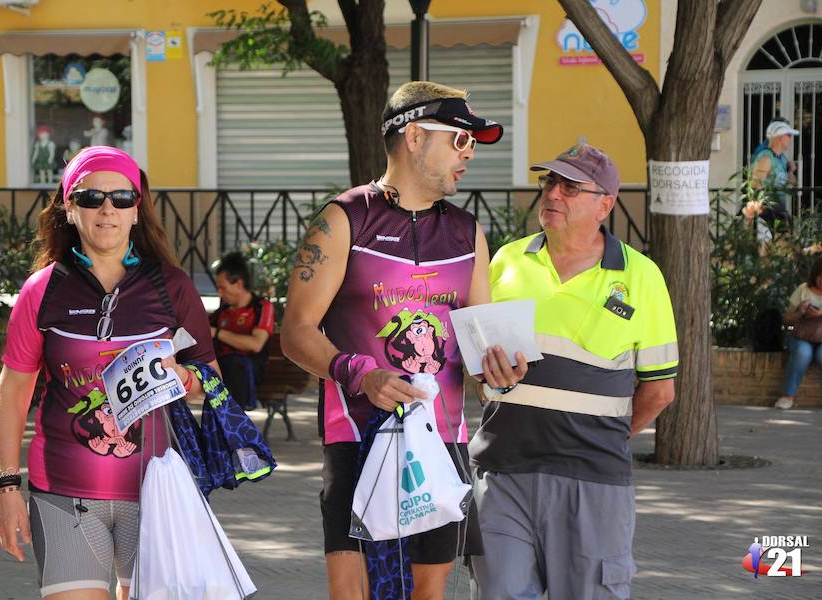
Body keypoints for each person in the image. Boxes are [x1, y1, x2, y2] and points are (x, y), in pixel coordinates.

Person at [281, 81, 517, 600]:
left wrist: (497, 371)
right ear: (413, 136)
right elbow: (295, 331)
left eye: (473, 144)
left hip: (441, 446)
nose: (470, 154)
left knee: (426, 596)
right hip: (357, 441)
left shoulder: (466, 231)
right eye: (459, 140)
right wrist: (360, 373)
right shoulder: (344, 218)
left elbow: (480, 346)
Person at [0, 146, 217, 600]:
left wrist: (185, 378)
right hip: (63, 493)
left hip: (157, 494)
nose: (107, 209)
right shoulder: (42, 290)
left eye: (121, 197)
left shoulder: (173, 287)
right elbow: (13, 390)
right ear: (70, 209)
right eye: (91, 198)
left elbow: (209, 380)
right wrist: (5, 486)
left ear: (138, 209)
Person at [469, 143, 679, 600]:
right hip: (502, 473)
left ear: (605, 203)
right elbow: (479, 362)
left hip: (592, 477)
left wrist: (601, 434)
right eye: (549, 182)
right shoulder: (506, 261)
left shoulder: (642, 277)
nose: (553, 194)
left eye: (569, 186)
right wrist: (487, 377)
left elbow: (660, 389)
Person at [209, 251, 275, 410]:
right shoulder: (222, 312)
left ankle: (235, 417)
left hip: (249, 370)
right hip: (223, 370)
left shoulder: (261, 307)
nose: (219, 293)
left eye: (222, 288)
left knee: (233, 363)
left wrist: (217, 333)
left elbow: (256, 344)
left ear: (239, 284)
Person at [775, 254, 822, 410]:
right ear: (814, 274)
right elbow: (786, 319)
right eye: (820, 276)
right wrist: (801, 312)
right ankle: (787, 396)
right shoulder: (803, 290)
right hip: (801, 337)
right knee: (803, 353)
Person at [750, 118, 799, 232]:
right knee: (772, 246)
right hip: (767, 212)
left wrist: (791, 171)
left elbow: (792, 183)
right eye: (789, 135)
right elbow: (755, 184)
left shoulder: (781, 158)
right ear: (780, 137)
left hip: (778, 210)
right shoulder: (765, 157)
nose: (791, 139)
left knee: (784, 245)